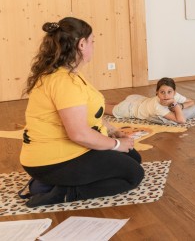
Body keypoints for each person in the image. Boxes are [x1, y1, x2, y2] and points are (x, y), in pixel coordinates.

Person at [20, 17, 144, 208]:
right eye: (92, 41)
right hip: (53, 160)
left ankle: (45, 184)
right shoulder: (64, 82)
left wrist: (110, 131)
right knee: (133, 174)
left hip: (58, 153)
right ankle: (64, 192)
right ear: (81, 44)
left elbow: (86, 114)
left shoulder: (68, 74)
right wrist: (116, 144)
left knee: (132, 157)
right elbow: (78, 133)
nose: (93, 46)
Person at [105, 77, 195, 125]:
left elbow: (192, 102)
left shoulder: (175, 95)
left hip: (138, 100)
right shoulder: (157, 106)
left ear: (174, 92)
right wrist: (175, 104)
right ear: (157, 92)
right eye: (162, 92)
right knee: (101, 107)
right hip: (129, 109)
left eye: (169, 92)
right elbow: (181, 120)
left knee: (115, 103)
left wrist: (181, 106)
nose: (166, 95)